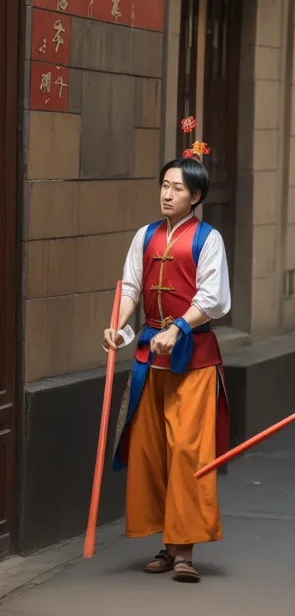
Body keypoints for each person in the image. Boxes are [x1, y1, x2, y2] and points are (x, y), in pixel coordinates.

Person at [103, 118, 230, 583]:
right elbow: (131, 287)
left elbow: (213, 299)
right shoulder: (145, 235)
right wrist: (119, 328)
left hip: (192, 358)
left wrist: (178, 327)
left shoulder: (208, 239)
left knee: (187, 451)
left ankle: (185, 552)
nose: (167, 194)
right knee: (152, 449)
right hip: (149, 356)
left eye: (176, 188)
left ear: (195, 196)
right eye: (164, 186)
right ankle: (164, 541)